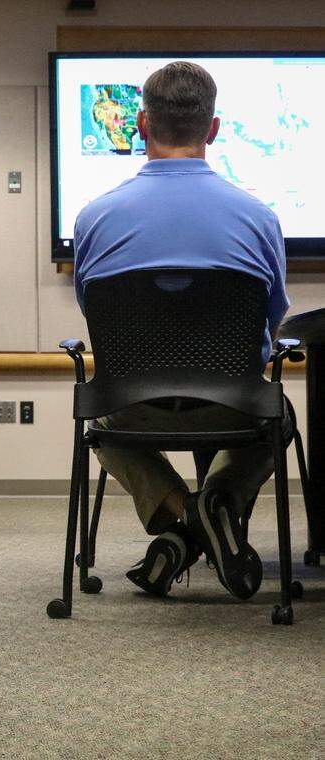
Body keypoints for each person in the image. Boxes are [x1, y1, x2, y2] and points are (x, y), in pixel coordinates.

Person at [73, 61, 289, 601]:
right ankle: (216, 503)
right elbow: (272, 321)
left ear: (141, 125)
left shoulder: (92, 218)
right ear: (214, 129)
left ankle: (178, 522)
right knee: (277, 416)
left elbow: (92, 313)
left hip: (131, 405)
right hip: (232, 403)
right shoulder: (258, 217)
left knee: (96, 413)